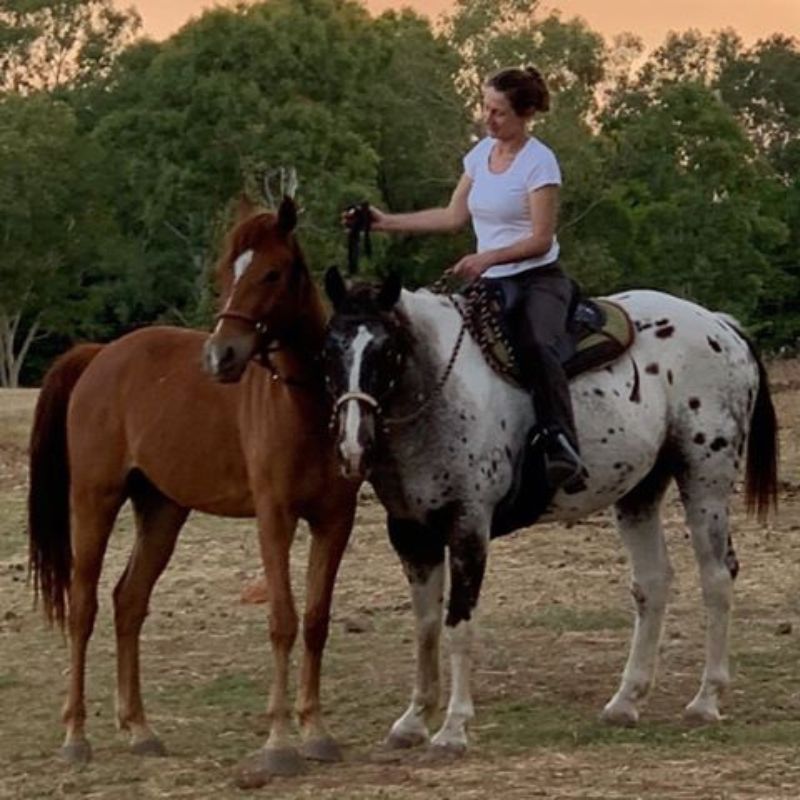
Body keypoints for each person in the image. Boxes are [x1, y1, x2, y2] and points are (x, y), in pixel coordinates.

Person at [346, 66, 585, 490]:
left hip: (537, 279)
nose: (487, 119)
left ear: (525, 113)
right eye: (485, 108)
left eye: (498, 112)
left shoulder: (539, 162)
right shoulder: (480, 156)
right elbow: (452, 217)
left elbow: (541, 238)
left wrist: (487, 256)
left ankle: (560, 442)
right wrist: (384, 223)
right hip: (489, 280)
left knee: (534, 343)